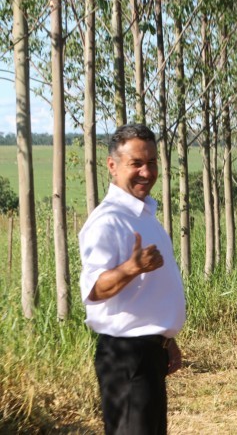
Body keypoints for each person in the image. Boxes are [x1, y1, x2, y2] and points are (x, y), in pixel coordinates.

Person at [78, 124, 186, 435]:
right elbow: (94, 290)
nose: (146, 172)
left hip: (148, 354)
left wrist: (167, 339)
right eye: (135, 163)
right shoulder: (107, 221)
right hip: (126, 358)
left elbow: (148, 292)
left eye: (151, 162)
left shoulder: (143, 214)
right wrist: (131, 268)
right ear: (112, 165)